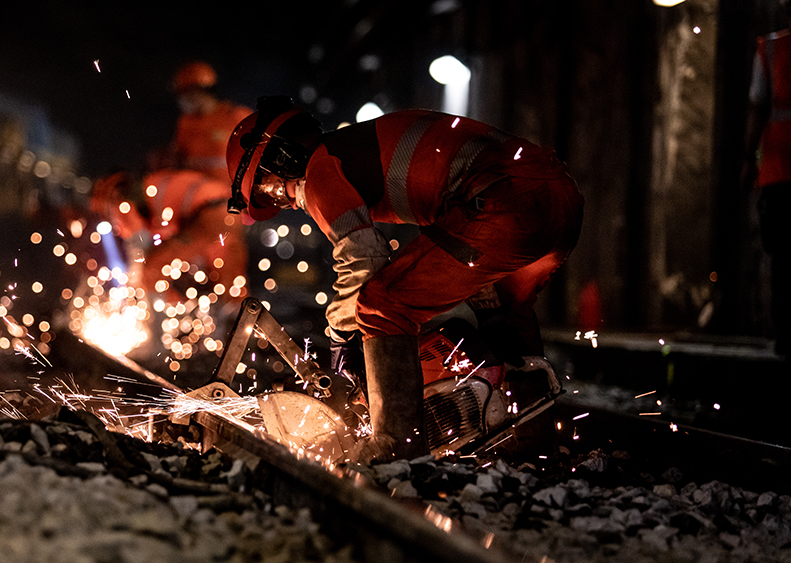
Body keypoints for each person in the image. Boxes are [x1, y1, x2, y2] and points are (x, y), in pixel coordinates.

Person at [226, 96, 584, 462]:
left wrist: (340, 339)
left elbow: (362, 255)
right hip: (560, 197)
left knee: (383, 303)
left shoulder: (321, 169)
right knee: (504, 309)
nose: (285, 203)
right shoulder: (359, 148)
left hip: (503, 203)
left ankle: (396, 445)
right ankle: (534, 443)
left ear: (280, 158)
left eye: (270, 191)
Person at [90, 168, 248, 309]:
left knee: (152, 270)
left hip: (212, 215)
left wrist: (136, 284)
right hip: (227, 214)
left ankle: (158, 331)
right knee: (232, 290)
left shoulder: (130, 202)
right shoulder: (151, 189)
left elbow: (142, 249)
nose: (120, 231)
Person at [744, 0, 791, 357]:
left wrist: (748, 159)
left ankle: (786, 331)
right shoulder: (771, 47)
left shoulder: (772, 48)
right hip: (777, 172)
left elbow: (758, 106)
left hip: (778, 174)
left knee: (783, 255)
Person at [167, 61, 252, 183]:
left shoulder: (237, 116)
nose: (183, 100)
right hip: (198, 195)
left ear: (201, 91)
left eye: (187, 93)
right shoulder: (185, 122)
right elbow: (178, 156)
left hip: (233, 194)